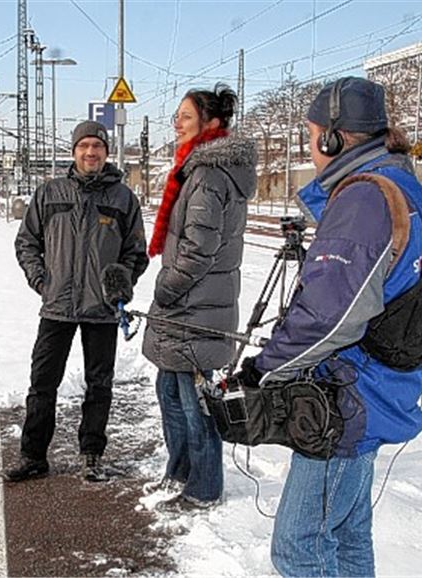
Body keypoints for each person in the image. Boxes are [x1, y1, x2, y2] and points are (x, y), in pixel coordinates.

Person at [231, 77, 422, 577]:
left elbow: (329, 315)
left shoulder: (364, 199)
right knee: (346, 536)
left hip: (349, 399)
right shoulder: (393, 183)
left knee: (299, 547)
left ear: (331, 137)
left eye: (311, 135)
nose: (310, 147)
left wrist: (265, 369)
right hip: (373, 388)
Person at [8, 120, 148, 483]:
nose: (91, 152)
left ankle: (91, 455)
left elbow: (136, 251)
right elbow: (27, 242)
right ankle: (33, 456)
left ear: (105, 152)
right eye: (84, 146)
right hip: (56, 307)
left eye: (97, 146)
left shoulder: (122, 199)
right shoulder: (50, 193)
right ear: (74, 152)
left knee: (99, 385)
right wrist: (41, 280)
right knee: (42, 383)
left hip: (101, 310)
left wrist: (121, 283)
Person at [141, 83, 257, 511]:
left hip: (195, 307)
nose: (177, 124)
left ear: (211, 123)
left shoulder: (207, 175)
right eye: (176, 116)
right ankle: (180, 473)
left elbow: (198, 249)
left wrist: (165, 288)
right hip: (192, 306)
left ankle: (204, 489)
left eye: (185, 117)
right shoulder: (198, 169)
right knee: (171, 393)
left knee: (195, 405)